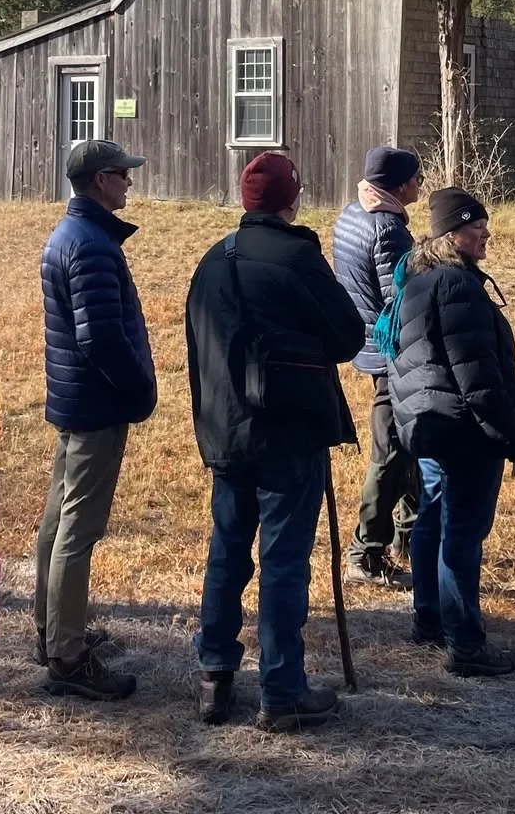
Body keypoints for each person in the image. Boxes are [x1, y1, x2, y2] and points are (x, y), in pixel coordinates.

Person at [185, 153, 365, 732]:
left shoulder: (213, 261)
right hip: (288, 432)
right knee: (284, 562)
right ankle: (281, 692)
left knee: (227, 553)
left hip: (226, 430)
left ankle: (215, 677)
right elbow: (347, 335)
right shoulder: (297, 256)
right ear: (291, 200)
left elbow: (196, 347)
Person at [389, 187, 515, 679]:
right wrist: (511, 438)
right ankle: (466, 644)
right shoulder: (457, 285)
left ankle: (428, 618)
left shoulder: (419, 278)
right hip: (463, 431)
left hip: (430, 426)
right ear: (454, 234)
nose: (486, 234)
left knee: (431, 519)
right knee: (462, 534)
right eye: (477, 226)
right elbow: (478, 377)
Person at [34, 139, 157, 701]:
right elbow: (101, 338)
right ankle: (66, 655)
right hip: (95, 403)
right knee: (77, 530)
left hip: (75, 399)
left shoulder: (72, 235)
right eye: (122, 175)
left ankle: (53, 628)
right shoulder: (90, 245)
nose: (129, 183)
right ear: (101, 181)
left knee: (59, 520)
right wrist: (139, 390)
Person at [331, 146, 424, 586]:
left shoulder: (352, 212)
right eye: (416, 178)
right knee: (390, 452)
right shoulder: (388, 229)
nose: (420, 185)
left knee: (408, 442)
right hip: (391, 353)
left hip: (366, 344)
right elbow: (399, 301)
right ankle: (364, 553)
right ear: (401, 186)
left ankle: (409, 536)